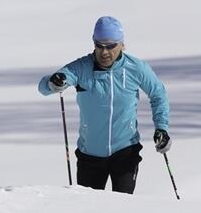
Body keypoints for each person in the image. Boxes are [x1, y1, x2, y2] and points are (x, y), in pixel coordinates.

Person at [38, 15, 170, 193]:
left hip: (125, 152)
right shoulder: (82, 68)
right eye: (99, 45)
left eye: (110, 46)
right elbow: (45, 87)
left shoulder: (136, 68)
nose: (104, 52)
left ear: (121, 44)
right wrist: (54, 82)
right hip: (89, 156)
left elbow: (158, 94)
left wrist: (161, 128)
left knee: (123, 209)